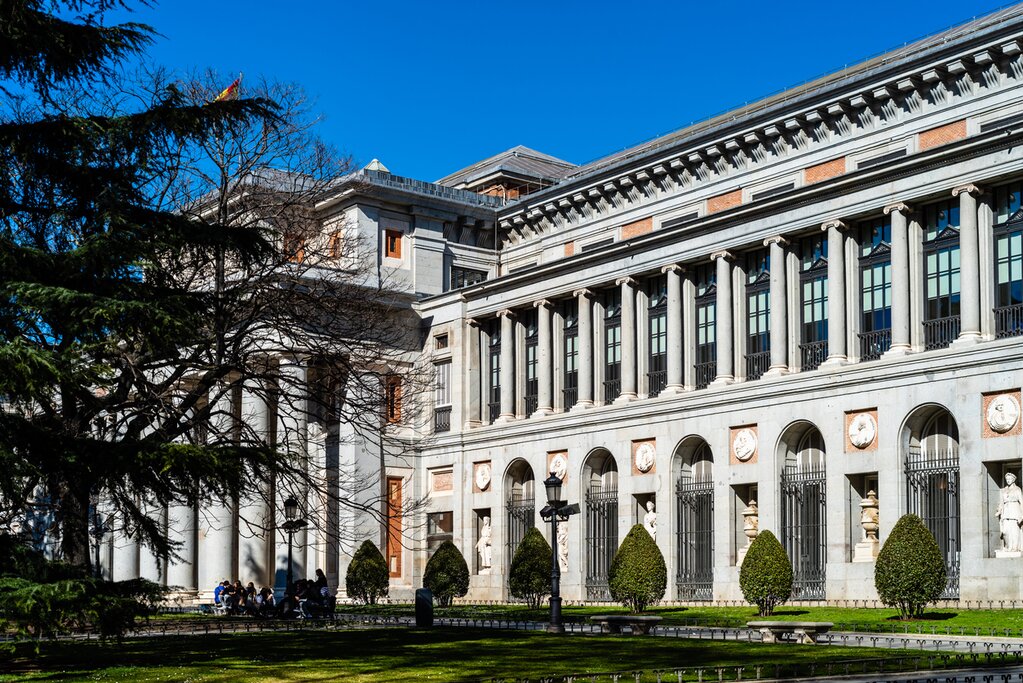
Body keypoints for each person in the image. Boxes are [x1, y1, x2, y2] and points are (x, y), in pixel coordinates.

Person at [996, 472, 1023, 552]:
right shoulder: (1004, 490)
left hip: (1014, 509)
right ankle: (1008, 546)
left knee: (1014, 529)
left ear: (1013, 480)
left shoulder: (1017, 489)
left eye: (1010, 479)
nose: (1008, 480)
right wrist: (999, 510)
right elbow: (1001, 502)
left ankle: (1015, 547)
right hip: (1006, 511)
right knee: (1006, 530)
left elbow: (1021, 502)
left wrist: (1021, 514)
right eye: (1007, 479)